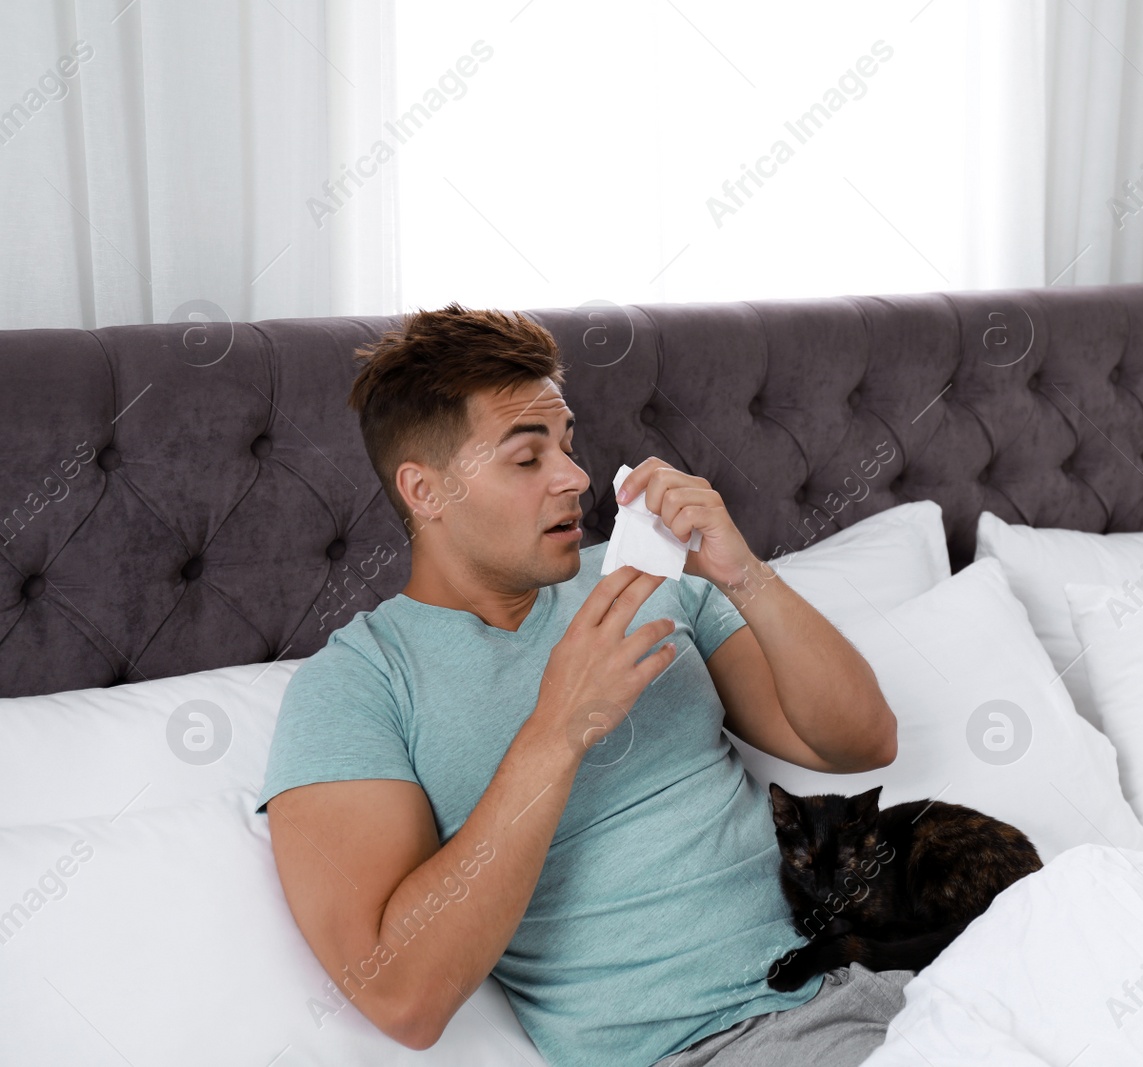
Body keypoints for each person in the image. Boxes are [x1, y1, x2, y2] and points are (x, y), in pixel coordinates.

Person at [256, 304, 906, 1067]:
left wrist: (741, 573)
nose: (575, 477)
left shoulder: (649, 577)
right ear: (425, 491)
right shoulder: (355, 686)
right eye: (527, 459)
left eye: (567, 444)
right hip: (710, 1048)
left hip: (881, 984)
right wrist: (559, 728)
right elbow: (403, 997)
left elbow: (863, 742)